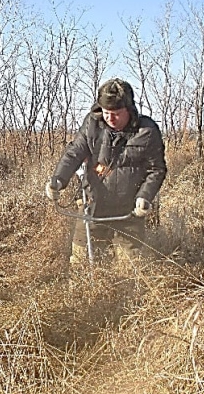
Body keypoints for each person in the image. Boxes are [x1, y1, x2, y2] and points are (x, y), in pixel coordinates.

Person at [45, 78, 167, 263]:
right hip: (93, 206)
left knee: (131, 268)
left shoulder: (147, 131)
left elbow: (156, 169)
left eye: (116, 113)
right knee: (82, 263)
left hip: (129, 212)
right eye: (106, 112)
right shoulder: (92, 124)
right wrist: (59, 180)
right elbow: (75, 153)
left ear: (129, 110)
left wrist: (145, 197)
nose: (110, 118)